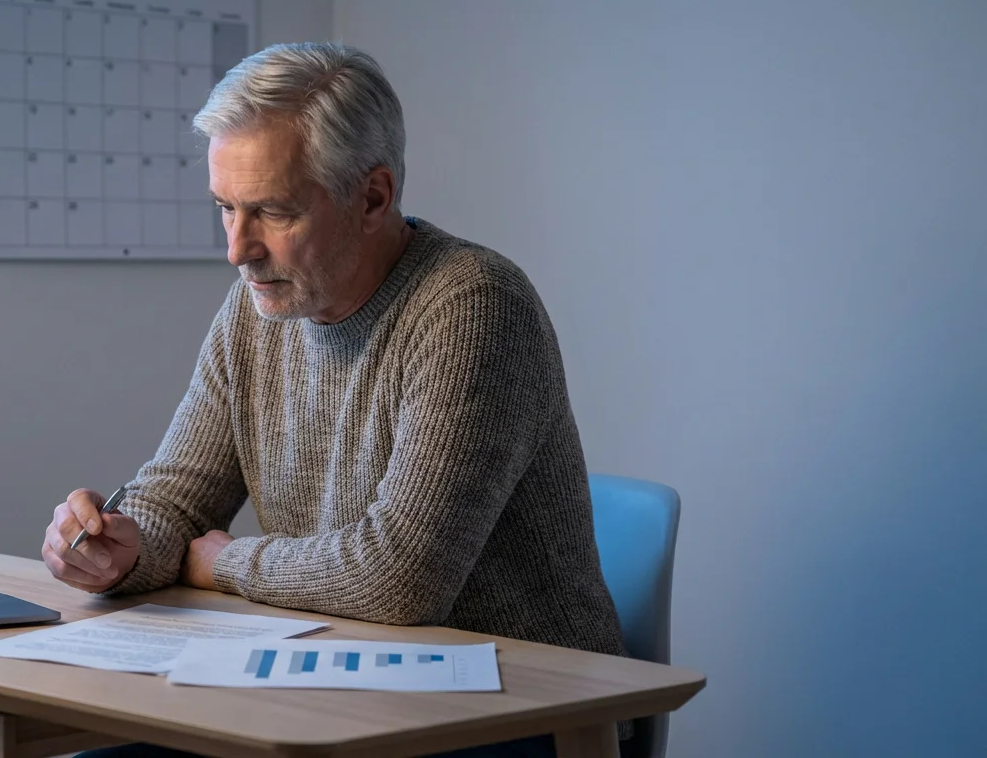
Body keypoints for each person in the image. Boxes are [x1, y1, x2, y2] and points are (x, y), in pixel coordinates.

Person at [42, 42, 629, 758]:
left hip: (522, 709)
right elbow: (178, 502)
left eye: (272, 212)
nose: (237, 249)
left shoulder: (472, 304)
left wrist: (223, 565)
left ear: (373, 197)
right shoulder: (254, 312)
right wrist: (123, 551)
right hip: (334, 689)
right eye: (225, 208)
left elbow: (401, 580)